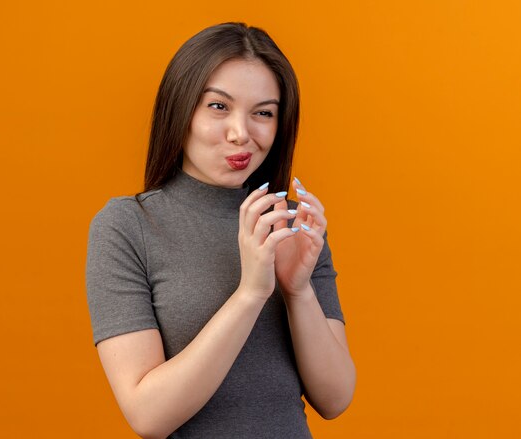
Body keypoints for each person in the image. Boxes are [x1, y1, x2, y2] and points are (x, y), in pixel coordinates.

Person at [86, 22, 356, 439]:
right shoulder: (127, 227)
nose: (240, 134)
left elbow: (335, 399)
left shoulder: (289, 225)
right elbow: (148, 416)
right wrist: (250, 293)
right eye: (218, 107)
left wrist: (297, 290)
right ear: (181, 109)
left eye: (263, 113)